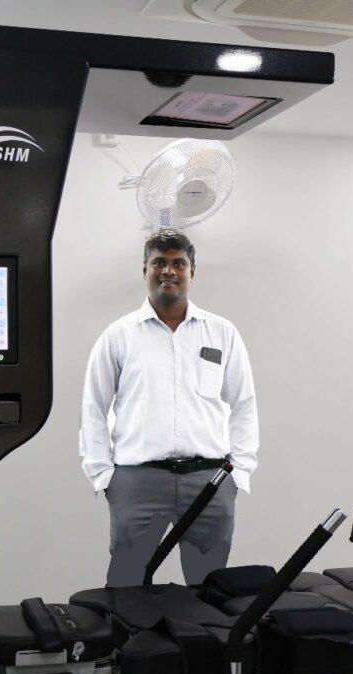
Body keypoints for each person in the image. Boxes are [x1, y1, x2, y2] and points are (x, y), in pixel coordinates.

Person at [79, 229, 258, 586]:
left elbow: (244, 404)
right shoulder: (118, 336)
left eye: (179, 263)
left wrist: (238, 473)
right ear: (144, 270)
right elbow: (94, 407)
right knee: (127, 585)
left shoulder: (222, 333)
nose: (169, 271)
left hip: (209, 482)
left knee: (209, 588)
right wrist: (104, 477)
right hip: (138, 482)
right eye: (159, 262)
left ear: (192, 271)